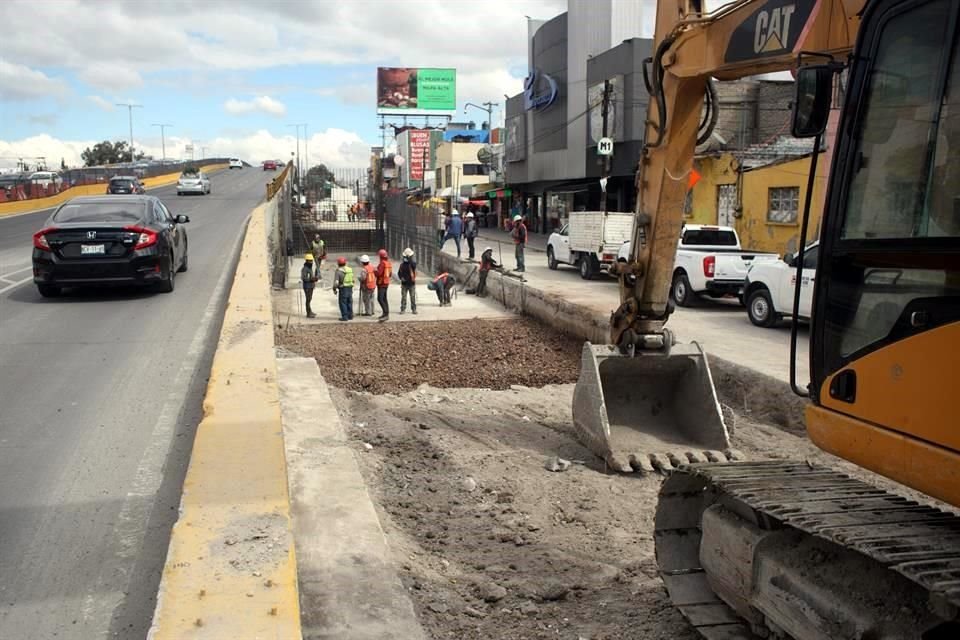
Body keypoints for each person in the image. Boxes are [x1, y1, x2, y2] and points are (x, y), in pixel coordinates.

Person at [332, 257, 354, 321]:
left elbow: (336, 282)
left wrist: (334, 289)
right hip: (350, 288)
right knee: (349, 302)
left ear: (338, 264)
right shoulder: (350, 269)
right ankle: (350, 316)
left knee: (343, 302)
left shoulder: (338, 271)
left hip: (343, 289)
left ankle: (345, 317)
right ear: (345, 263)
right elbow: (352, 279)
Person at [398, 247, 418, 314]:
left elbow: (414, 266)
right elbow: (399, 273)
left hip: (411, 284)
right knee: (404, 298)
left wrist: (409, 259)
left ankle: (414, 309)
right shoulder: (402, 265)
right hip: (404, 284)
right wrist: (401, 278)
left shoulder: (412, 264)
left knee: (413, 298)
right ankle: (403, 309)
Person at [375, 248, 392, 321]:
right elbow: (390, 274)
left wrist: (374, 271)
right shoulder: (388, 263)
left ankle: (386, 314)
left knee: (380, 299)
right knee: (384, 298)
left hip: (381, 283)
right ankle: (385, 313)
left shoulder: (382, 264)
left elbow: (379, 273)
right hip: (386, 282)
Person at [301, 253, 318, 318]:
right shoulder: (305, 269)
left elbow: (311, 276)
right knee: (308, 300)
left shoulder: (309, 268)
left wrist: (315, 278)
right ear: (306, 261)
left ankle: (310, 311)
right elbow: (304, 278)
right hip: (307, 287)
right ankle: (308, 313)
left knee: (309, 299)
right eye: (310, 260)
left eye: (312, 260)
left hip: (311, 286)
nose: (311, 262)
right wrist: (312, 279)